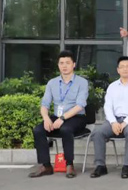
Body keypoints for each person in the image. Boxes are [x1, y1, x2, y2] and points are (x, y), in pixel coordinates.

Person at [29, 51, 89, 179]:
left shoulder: (82, 82)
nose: (64, 66)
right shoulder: (52, 83)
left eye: (67, 63)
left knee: (66, 129)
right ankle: (46, 166)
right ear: (58, 65)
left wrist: (63, 118)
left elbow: (80, 105)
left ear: (74, 64)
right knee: (38, 130)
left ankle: (69, 164)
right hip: (57, 116)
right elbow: (44, 104)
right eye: (61, 63)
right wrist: (46, 118)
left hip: (77, 117)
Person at [90, 56, 128, 179]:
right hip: (114, 120)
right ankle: (100, 165)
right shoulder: (112, 86)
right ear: (118, 70)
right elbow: (107, 106)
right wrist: (113, 122)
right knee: (98, 132)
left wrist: (124, 123)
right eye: (122, 67)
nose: (125, 69)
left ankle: (126, 165)